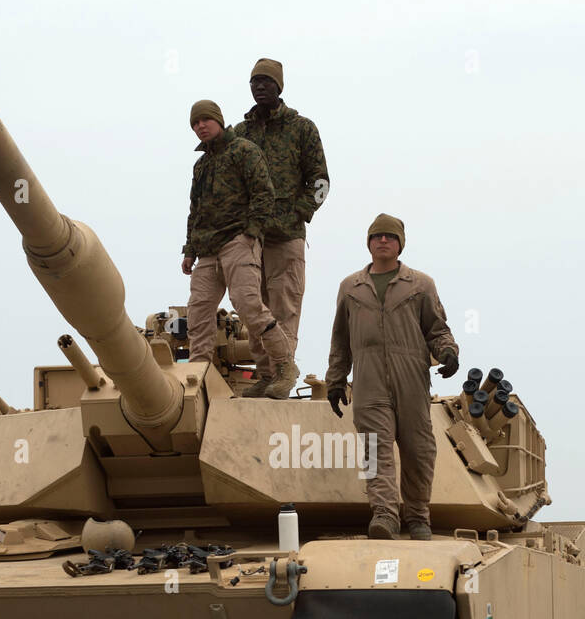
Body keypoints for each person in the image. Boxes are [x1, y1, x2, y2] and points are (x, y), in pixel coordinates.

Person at [325, 214, 459, 540]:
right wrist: (335, 380)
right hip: (368, 379)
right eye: (377, 236)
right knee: (375, 449)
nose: (383, 241)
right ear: (369, 244)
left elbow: (436, 328)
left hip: (411, 375)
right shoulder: (350, 287)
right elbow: (340, 339)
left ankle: (418, 517)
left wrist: (448, 352)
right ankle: (384, 514)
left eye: (390, 236)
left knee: (419, 449)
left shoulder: (420, 284)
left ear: (400, 244)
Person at [181, 99, 298, 398]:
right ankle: (200, 380)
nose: (200, 127)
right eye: (195, 124)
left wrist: (251, 233)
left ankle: (284, 366)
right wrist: (189, 250)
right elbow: (195, 210)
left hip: (237, 240)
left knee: (248, 305)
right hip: (207, 250)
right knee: (198, 317)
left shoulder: (244, 151)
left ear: (218, 120)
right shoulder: (201, 165)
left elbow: (263, 193)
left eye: (205, 120)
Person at [232, 59, 329, 397]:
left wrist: (298, 213)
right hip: (249, 237)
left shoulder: (302, 128)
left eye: (266, 82)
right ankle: (264, 374)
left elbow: (319, 181)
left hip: (286, 237)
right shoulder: (240, 134)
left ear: (279, 87)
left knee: (284, 307)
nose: (259, 87)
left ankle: (282, 375)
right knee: (251, 308)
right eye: (254, 82)